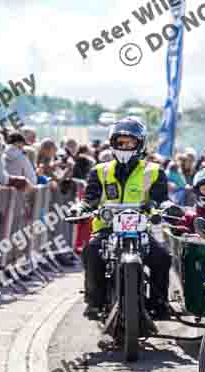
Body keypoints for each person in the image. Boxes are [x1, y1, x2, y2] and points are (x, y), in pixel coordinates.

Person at [79, 117, 172, 323]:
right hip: (107, 228)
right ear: (112, 143)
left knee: (163, 256)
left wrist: (165, 207)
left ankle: (159, 303)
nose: (124, 146)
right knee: (91, 251)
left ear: (140, 144)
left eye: (129, 142)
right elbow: (90, 198)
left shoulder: (154, 171)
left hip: (140, 229)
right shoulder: (100, 170)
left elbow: (161, 198)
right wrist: (81, 208)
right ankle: (94, 301)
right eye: (120, 142)